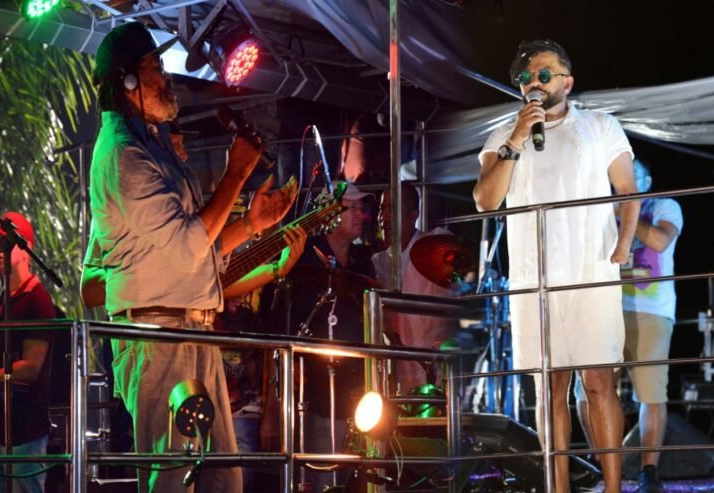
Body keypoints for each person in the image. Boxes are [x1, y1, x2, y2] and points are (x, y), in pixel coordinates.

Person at [82, 22, 297, 493]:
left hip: (188, 329)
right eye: (155, 67)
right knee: (173, 477)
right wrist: (235, 175)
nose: (166, 77)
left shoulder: (151, 145)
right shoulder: (122, 155)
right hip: (158, 336)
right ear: (128, 81)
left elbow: (198, 248)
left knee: (222, 479)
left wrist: (250, 225)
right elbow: (186, 247)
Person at [473, 39, 639, 493]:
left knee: (599, 381)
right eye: (527, 77)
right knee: (549, 387)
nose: (535, 82)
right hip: (535, 278)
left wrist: (624, 244)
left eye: (545, 75)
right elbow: (485, 200)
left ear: (567, 81)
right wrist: (516, 139)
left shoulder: (601, 126)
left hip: (591, 271)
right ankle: (557, 486)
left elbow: (627, 190)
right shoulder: (504, 135)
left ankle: (612, 487)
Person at [261, 181, 377, 492]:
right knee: (319, 475)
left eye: (362, 208)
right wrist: (272, 408)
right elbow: (276, 330)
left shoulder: (363, 261)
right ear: (329, 214)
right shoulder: (302, 257)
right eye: (352, 208)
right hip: (311, 391)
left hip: (357, 391)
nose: (361, 214)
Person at [575, 159, 682, 493]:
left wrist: (624, 210)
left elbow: (660, 241)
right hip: (603, 307)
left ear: (647, 182)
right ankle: (601, 463)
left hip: (650, 309)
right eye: (619, 176)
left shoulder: (664, 206)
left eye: (634, 176)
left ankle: (648, 471)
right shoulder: (600, 210)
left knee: (651, 392)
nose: (624, 180)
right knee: (587, 387)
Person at [0, 211, 58, 493]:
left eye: (5, 243)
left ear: (26, 250)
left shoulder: (37, 300)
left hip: (25, 432)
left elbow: (30, 368)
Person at [372, 183, 455, 392]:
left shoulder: (433, 244)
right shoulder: (378, 262)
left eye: (392, 208)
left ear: (413, 215)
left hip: (436, 369)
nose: (384, 217)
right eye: (382, 209)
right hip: (396, 375)